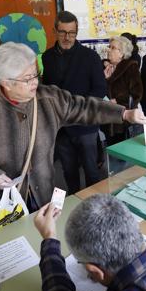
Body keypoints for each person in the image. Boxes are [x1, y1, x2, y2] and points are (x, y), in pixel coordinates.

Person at [0, 42, 146, 212]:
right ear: (5, 82)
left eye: (36, 74)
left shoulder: (48, 98)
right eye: (27, 79)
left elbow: (83, 107)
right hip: (3, 202)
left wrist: (123, 113)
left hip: (43, 192)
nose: (35, 82)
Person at [42, 11, 107, 194]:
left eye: (72, 33)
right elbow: (47, 88)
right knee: (68, 172)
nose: (67, 37)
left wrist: (79, 108)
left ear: (76, 32)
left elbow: (100, 89)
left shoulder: (90, 56)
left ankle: (95, 206)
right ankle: (74, 204)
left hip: (85, 125)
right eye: (62, 32)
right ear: (55, 30)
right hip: (61, 127)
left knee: (91, 171)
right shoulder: (47, 57)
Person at [103, 35, 143, 144]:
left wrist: (118, 100)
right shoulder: (107, 67)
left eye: (113, 48)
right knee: (111, 147)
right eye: (109, 47)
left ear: (122, 53)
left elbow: (137, 94)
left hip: (123, 119)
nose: (108, 50)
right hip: (108, 117)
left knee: (123, 149)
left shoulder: (130, 67)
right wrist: (107, 79)